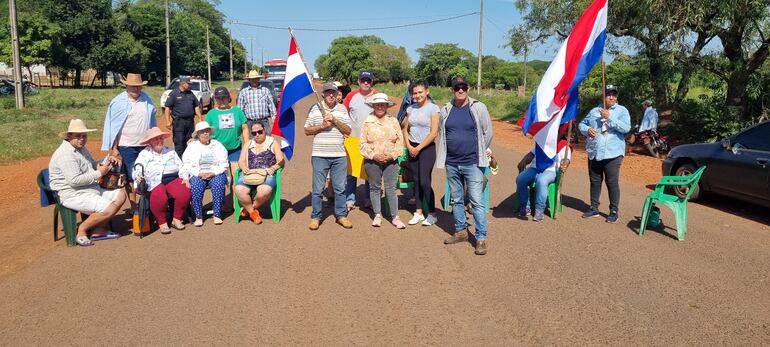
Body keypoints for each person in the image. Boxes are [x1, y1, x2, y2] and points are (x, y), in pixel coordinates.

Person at [49, 119, 127, 247]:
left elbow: (92, 165)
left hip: (89, 189)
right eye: (77, 136)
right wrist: (100, 173)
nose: (81, 139)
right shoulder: (65, 155)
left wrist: (107, 159)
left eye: (84, 136)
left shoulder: (81, 148)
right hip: (73, 194)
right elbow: (74, 181)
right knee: (110, 208)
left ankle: (99, 230)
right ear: (69, 136)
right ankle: (82, 231)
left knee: (121, 194)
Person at [438, 76, 493, 256]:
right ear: (451, 90)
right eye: (456, 88)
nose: (460, 90)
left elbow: (487, 132)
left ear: (468, 88)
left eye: (463, 87)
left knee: (477, 201)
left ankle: (481, 238)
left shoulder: (478, 107)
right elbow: (442, 131)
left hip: (472, 163)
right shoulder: (446, 109)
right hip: (452, 163)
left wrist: (478, 151)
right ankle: (461, 231)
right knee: (457, 199)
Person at [101, 72, 157, 209]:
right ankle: (134, 206)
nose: (136, 90)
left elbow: (152, 121)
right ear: (126, 86)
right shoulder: (118, 102)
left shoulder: (147, 99)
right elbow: (112, 126)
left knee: (147, 173)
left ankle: (147, 204)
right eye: (133, 87)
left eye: (138, 87)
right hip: (127, 145)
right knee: (131, 177)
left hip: (145, 144)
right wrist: (114, 148)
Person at [578, 84, 631, 223]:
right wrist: (587, 129)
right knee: (595, 181)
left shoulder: (621, 110)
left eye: (614, 94)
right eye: (608, 94)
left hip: (613, 153)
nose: (611, 97)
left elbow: (626, 128)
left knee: (611, 182)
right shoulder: (594, 110)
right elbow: (581, 124)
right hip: (594, 151)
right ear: (603, 96)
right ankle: (593, 208)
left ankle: (614, 211)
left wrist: (610, 118)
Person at [305, 82, 354, 230]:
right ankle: (316, 216)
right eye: (328, 92)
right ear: (323, 94)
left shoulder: (342, 109)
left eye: (333, 92)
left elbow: (348, 130)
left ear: (337, 93)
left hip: (338, 155)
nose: (331, 95)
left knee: (340, 188)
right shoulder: (315, 108)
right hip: (320, 154)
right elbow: (307, 130)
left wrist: (335, 120)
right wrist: (322, 126)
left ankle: (341, 215)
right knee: (318, 189)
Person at [360, 93, 406, 228]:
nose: (380, 107)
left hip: (391, 161)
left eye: (382, 104)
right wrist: (374, 155)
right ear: (373, 106)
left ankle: (395, 217)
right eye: (377, 104)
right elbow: (362, 143)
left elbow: (400, 143)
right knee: (375, 188)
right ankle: (377, 215)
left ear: (387, 106)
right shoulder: (367, 121)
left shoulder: (393, 121)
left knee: (391, 188)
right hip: (372, 161)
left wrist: (392, 155)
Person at [133, 127, 192, 234]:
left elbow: (181, 166)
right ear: (150, 141)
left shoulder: (170, 151)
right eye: (155, 139)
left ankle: (176, 219)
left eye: (160, 138)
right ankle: (162, 222)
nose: (159, 141)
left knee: (184, 191)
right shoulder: (144, 154)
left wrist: (185, 177)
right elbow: (138, 167)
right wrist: (139, 176)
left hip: (172, 178)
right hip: (153, 180)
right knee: (160, 196)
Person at [401, 80, 440, 226]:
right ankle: (418, 212)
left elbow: (434, 132)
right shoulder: (411, 109)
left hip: (427, 148)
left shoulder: (433, 109)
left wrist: (418, 148)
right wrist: (409, 145)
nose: (417, 95)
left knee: (424, 180)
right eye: (414, 93)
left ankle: (431, 213)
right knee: (416, 181)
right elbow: (405, 128)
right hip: (412, 147)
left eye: (420, 92)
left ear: (427, 91)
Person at [206, 86, 249, 208]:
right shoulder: (211, 114)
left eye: (224, 98)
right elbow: (205, 132)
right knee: (221, 177)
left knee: (236, 176)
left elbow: (244, 128)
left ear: (228, 98)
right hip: (217, 152)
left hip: (235, 149)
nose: (222, 101)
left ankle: (234, 203)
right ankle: (220, 204)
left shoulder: (237, 111)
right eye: (218, 98)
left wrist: (246, 146)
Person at [234, 122, 285, 224]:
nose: (257, 134)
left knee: (264, 190)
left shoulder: (273, 143)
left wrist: (274, 167)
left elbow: (281, 160)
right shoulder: (248, 143)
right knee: (239, 189)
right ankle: (253, 213)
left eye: (260, 132)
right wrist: (243, 167)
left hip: (267, 174)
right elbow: (241, 160)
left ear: (264, 131)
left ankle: (248, 209)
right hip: (250, 173)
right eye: (254, 133)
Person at [343, 71, 378, 210]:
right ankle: (350, 199)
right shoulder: (351, 96)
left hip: (371, 140)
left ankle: (368, 198)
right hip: (353, 138)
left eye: (368, 80)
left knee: (369, 170)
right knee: (351, 171)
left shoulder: (377, 97)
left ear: (371, 82)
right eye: (363, 80)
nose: (365, 83)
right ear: (358, 81)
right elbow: (343, 115)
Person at [183, 121, 229, 227]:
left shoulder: (217, 145)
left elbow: (224, 163)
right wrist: (198, 174)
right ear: (197, 134)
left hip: (215, 172)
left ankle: (217, 214)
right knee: (196, 187)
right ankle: (199, 216)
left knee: (218, 184)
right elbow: (186, 163)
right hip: (198, 173)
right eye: (202, 132)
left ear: (210, 133)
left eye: (207, 131)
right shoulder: (192, 146)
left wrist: (213, 172)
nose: (205, 134)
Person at [515, 138, 571, 221]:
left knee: (541, 180)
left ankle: (539, 210)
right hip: (535, 168)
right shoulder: (542, 142)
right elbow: (530, 155)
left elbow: (566, 160)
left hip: (551, 171)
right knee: (521, 179)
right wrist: (523, 160)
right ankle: (525, 207)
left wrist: (565, 164)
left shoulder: (564, 146)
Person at [164, 76, 202, 157]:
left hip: (190, 122)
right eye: (188, 84)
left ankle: (189, 161)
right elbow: (167, 108)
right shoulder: (174, 93)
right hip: (179, 123)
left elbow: (196, 106)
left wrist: (200, 118)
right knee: (179, 143)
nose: (189, 85)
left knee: (191, 142)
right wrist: (168, 121)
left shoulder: (190, 93)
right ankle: (180, 162)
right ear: (182, 83)